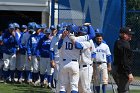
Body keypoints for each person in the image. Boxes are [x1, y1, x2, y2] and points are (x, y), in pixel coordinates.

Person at [112, 27, 134, 93]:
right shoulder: (125, 44)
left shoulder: (118, 41)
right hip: (122, 70)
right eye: (129, 34)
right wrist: (129, 73)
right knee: (124, 90)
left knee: (121, 89)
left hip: (116, 69)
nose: (130, 36)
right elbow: (125, 60)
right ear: (124, 34)